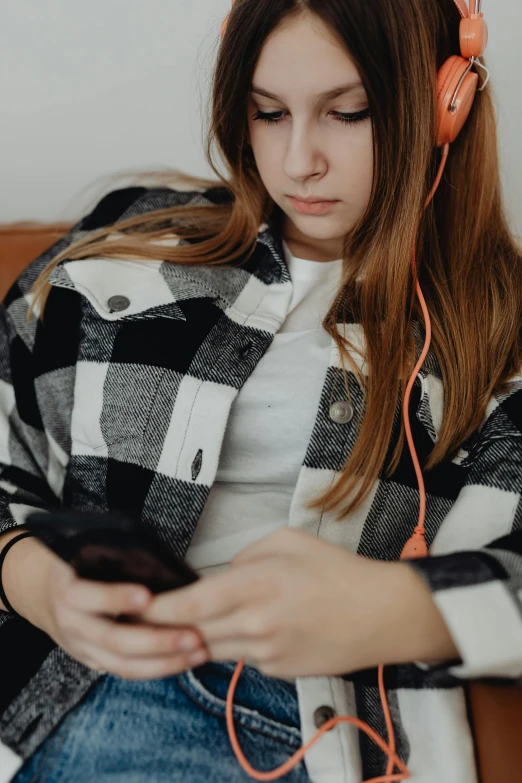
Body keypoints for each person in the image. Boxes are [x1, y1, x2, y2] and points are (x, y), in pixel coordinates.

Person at [1, 1, 521, 781]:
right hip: (78, 697)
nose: (298, 160)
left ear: (447, 106)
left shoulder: (503, 330)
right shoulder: (132, 237)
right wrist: (36, 582)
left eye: (350, 113)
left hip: (338, 733)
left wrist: (399, 610)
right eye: (267, 112)